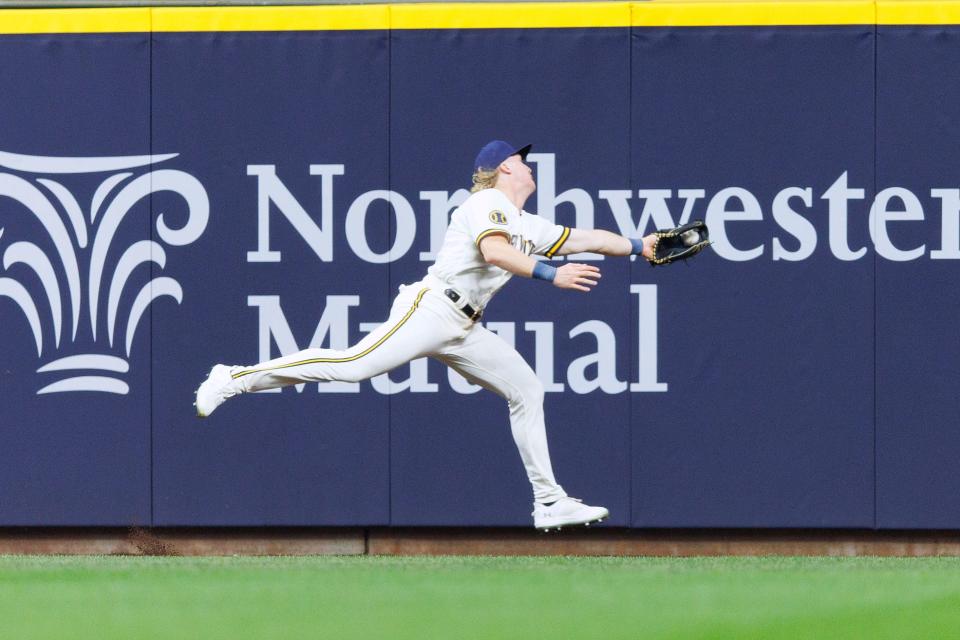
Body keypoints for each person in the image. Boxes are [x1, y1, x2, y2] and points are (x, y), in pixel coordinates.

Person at [195, 140, 657, 530]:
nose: (529, 163)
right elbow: (494, 252)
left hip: (466, 327)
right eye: (522, 158)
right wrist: (550, 274)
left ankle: (549, 500)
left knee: (527, 390)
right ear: (505, 167)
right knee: (354, 365)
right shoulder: (486, 203)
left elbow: (588, 239)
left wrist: (640, 246)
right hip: (434, 306)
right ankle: (234, 376)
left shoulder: (526, 223)